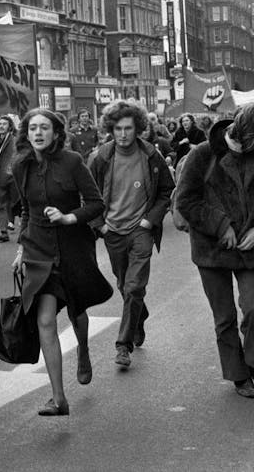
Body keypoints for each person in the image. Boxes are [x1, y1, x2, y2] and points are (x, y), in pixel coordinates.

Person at [175, 104, 254, 401]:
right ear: (250, 133)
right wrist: (221, 226)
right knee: (224, 318)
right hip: (211, 251)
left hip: (250, 250)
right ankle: (238, 374)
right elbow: (186, 201)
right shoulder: (202, 155)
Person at [10, 109, 111, 416]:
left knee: (77, 311)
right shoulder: (20, 165)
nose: (38, 133)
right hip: (38, 250)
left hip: (73, 247)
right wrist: (20, 250)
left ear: (56, 133)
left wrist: (70, 217)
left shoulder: (73, 162)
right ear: (26, 134)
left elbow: (96, 203)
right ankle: (58, 398)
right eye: (33, 128)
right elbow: (27, 211)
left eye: (44, 128)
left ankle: (83, 348)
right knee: (45, 320)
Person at [89, 100, 175, 368]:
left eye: (128, 128)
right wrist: (99, 225)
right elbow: (87, 194)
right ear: (110, 130)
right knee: (125, 285)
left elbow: (166, 190)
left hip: (141, 230)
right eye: (118, 129)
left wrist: (150, 221)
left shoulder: (151, 155)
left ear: (137, 127)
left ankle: (123, 345)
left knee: (134, 286)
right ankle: (139, 315)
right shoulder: (101, 157)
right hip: (112, 231)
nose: (123, 134)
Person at [0, 115, 19, 242]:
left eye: (4, 124)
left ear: (10, 126)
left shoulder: (15, 140)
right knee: (1, 204)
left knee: (15, 203)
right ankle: (3, 231)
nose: (1, 126)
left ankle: (24, 230)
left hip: (13, 177)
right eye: (0, 124)